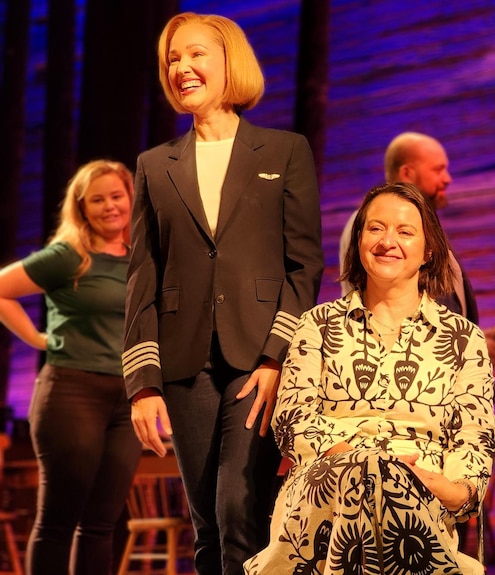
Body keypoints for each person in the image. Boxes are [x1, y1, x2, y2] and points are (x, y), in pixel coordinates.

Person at [122, 12, 323, 575]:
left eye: (195, 54)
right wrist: (142, 383)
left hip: (258, 359)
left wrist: (276, 357)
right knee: (208, 520)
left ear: (229, 60)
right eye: (172, 60)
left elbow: (304, 265)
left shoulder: (284, 151)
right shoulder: (154, 165)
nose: (182, 68)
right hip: (185, 363)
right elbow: (143, 277)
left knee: (239, 505)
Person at [246, 183, 495, 575]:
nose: (388, 241)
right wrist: (365, 462)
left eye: (405, 231)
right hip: (323, 491)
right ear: (358, 239)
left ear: (429, 249)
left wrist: (442, 487)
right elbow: (293, 419)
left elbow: (474, 441)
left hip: (422, 496)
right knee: (370, 474)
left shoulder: (464, 339)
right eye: (375, 228)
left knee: (388, 487)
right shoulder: (317, 325)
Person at [0, 160, 141, 575]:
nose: (109, 206)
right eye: (97, 200)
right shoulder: (69, 255)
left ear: (131, 199)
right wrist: (38, 340)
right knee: (58, 521)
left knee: (101, 523)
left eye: (117, 196)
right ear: (81, 207)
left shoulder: (140, 260)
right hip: (72, 391)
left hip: (128, 399)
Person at [338, 132, 495, 369]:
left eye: (405, 232)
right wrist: (463, 347)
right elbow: (376, 306)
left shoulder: (428, 231)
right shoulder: (366, 225)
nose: (447, 179)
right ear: (407, 173)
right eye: (438, 170)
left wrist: (472, 339)